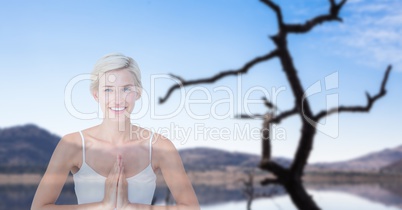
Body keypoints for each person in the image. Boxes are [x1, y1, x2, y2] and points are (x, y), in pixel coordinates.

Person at [31, 53, 200, 210]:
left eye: (126, 89)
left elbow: (191, 207)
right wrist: (103, 205)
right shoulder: (72, 144)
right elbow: (39, 207)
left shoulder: (160, 146)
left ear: (138, 93)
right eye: (108, 89)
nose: (117, 99)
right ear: (96, 95)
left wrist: (131, 207)